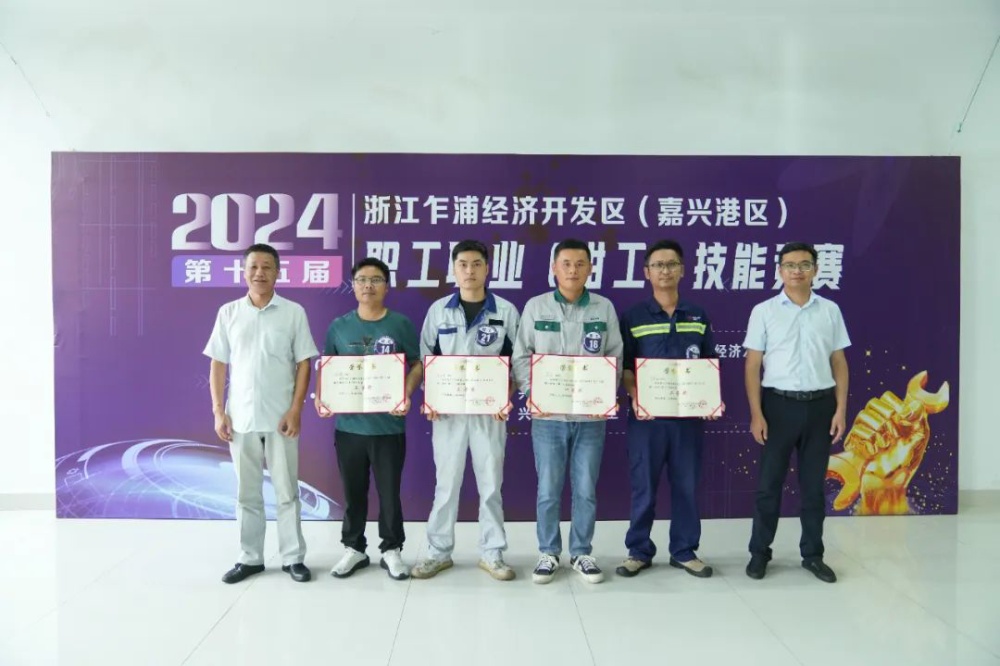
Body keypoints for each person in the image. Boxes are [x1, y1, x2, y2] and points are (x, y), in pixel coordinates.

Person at [204, 243, 318, 584]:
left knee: (287, 492)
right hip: (240, 418)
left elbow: (304, 363)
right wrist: (218, 412)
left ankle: (293, 558)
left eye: (267, 267)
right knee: (247, 493)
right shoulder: (228, 313)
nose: (260, 273)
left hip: (282, 417)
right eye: (253, 266)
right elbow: (218, 364)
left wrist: (296, 409)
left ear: (278, 272)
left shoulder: (293, 312)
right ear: (244, 272)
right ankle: (250, 557)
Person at [512, 238, 623, 584]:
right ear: (554, 268)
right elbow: (521, 355)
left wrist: (604, 395)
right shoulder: (536, 307)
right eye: (566, 263)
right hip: (548, 418)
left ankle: (581, 552)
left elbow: (615, 355)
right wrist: (534, 393)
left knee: (586, 488)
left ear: (590, 268)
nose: (573, 270)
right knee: (548, 489)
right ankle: (548, 552)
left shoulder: (603, 308)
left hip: (590, 419)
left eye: (580, 264)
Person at [410, 240, 521, 582]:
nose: (469, 271)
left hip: (490, 413)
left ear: (487, 269)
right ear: (454, 269)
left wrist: (506, 396)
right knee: (446, 485)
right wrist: (431, 398)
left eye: (476, 264)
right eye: (462, 264)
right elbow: (427, 359)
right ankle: (438, 552)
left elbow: (518, 362)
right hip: (448, 414)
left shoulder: (506, 311)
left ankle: (492, 553)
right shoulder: (439, 311)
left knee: (491, 485)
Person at [743, 242, 850, 584]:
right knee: (768, 486)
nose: (797, 271)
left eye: (804, 264)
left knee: (813, 488)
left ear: (815, 270)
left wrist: (841, 410)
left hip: (821, 407)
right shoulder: (764, 311)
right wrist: (757, 414)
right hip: (778, 406)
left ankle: (813, 555)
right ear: (780, 270)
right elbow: (753, 365)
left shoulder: (830, 310)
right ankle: (759, 553)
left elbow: (839, 362)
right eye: (790, 265)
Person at [616, 240, 722, 580]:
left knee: (686, 487)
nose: (665, 270)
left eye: (671, 264)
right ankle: (638, 551)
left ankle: (684, 551)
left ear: (682, 270)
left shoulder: (698, 315)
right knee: (643, 487)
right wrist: (635, 394)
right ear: (646, 272)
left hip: (688, 420)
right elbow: (625, 367)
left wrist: (710, 398)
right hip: (647, 420)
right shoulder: (633, 316)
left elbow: (708, 362)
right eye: (658, 265)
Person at [317, 257, 422, 581]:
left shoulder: (400, 324)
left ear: (386, 286)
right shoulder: (339, 326)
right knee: (353, 492)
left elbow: (417, 364)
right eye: (362, 279)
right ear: (353, 286)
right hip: (349, 428)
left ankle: (392, 549)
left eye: (376, 280)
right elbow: (328, 367)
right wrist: (323, 397)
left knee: (389, 493)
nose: (368, 285)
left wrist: (405, 392)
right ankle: (354, 548)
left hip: (388, 427)